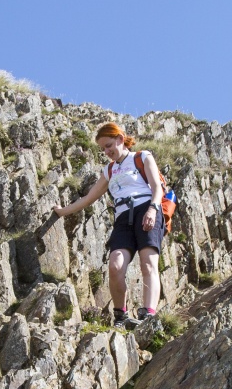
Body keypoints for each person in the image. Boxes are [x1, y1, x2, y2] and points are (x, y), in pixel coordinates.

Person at [52, 121, 166, 326]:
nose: (106, 151)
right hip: (123, 218)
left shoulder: (142, 157)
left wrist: (152, 209)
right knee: (115, 266)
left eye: (109, 145)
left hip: (147, 209)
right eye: (103, 148)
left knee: (148, 263)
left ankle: (148, 314)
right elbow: (88, 199)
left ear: (120, 140)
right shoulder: (109, 171)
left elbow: (157, 188)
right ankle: (120, 315)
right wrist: (62, 212)